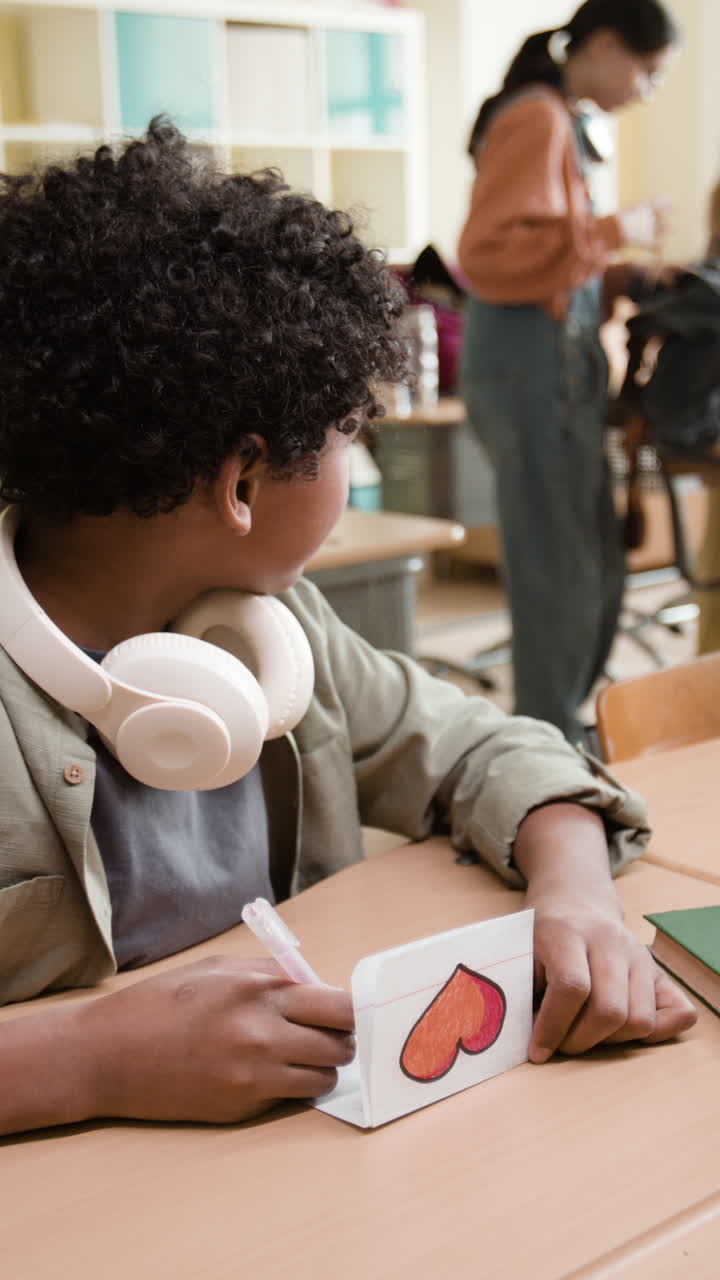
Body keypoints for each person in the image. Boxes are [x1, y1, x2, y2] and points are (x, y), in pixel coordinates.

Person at [0, 120, 695, 1138]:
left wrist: (578, 895)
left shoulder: (283, 632)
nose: (354, 468)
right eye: (346, 437)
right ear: (242, 480)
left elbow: (485, 743)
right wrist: (93, 1055)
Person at [458, 0, 680, 745]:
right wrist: (622, 230)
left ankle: (563, 727)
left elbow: (549, 263)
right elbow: (491, 257)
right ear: (608, 44)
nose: (648, 91)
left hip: (550, 366)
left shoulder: (557, 118)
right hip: (530, 373)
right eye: (647, 71)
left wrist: (624, 278)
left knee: (590, 560)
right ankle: (545, 743)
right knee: (559, 568)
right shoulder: (540, 117)